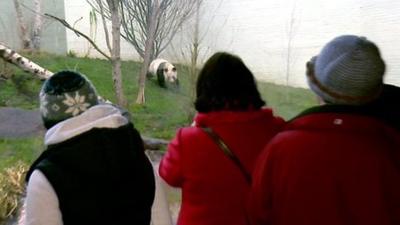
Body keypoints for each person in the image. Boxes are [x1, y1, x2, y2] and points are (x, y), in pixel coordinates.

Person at [247, 35, 400, 225]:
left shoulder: (279, 149)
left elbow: (257, 215)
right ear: (375, 93)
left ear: (317, 89)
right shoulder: (390, 151)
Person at [159, 52, 285, 225]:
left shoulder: (189, 140)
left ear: (204, 90)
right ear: (249, 88)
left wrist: (197, 124)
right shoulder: (277, 132)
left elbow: (168, 175)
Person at [22, 70, 155, 225]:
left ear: (48, 120)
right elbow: (161, 218)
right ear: (95, 106)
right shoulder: (134, 151)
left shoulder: (46, 177)